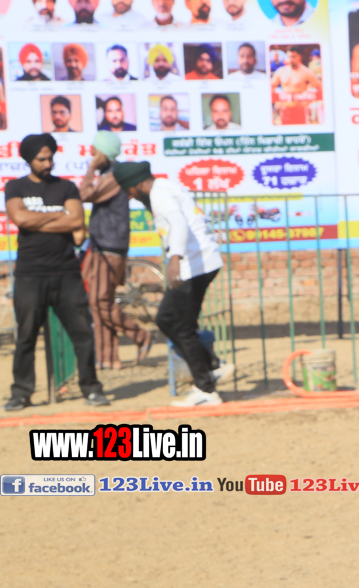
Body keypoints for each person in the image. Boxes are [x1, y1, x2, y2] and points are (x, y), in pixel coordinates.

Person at [5, 134, 110, 411]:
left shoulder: (66, 188)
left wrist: (38, 221)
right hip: (30, 274)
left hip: (66, 273)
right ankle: (21, 393)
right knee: (26, 336)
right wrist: (59, 217)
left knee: (82, 333)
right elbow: (20, 218)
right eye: (41, 159)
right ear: (29, 160)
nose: (47, 163)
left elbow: (76, 220)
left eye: (50, 158)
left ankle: (91, 388)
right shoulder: (16, 187)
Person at [114, 161, 229, 406]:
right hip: (203, 262)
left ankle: (206, 387)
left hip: (192, 265)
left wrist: (174, 258)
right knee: (182, 323)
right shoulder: (164, 187)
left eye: (129, 191)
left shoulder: (159, 195)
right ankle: (211, 369)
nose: (130, 197)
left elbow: (178, 222)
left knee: (169, 320)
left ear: (138, 185)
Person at [79, 132, 152, 370]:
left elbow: (84, 194)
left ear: (102, 152)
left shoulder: (112, 177)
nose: (91, 153)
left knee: (99, 300)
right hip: (103, 245)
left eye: (94, 150)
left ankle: (141, 335)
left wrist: (91, 168)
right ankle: (108, 358)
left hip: (109, 247)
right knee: (101, 302)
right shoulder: (108, 175)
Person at [271, 47, 321, 124]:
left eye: (293, 57)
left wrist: (308, 102)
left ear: (299, 57)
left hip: (300, 110)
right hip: (285, 109)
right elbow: (271, 86)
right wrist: (277, 102)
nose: (291, 59)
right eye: (289, 57)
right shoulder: (281, 71)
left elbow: (320, 87)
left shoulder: (306, 72)